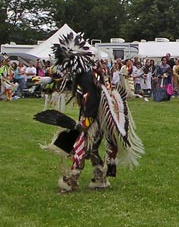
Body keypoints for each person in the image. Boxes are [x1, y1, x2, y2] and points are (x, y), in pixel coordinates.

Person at [34, 32, 144, 193]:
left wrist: (84, 124)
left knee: (80, 148)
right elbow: (67, 82)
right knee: (92, 151)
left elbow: (92, 101)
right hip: (92, 117)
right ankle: (100, 179)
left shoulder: (87, 77)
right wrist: (47, 80)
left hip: (94, 119)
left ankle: (71, 181)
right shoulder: (82, 74)